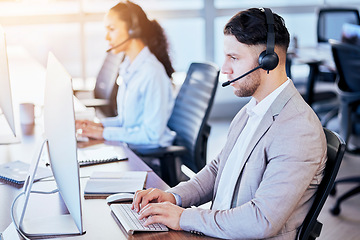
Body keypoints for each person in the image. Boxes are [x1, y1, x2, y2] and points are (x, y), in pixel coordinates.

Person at [131, 8, 327, 239]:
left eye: (234, 58)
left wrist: (183, 217)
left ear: (268, 60)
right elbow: (217, 170)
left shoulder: (297, 130)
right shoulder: (251, 111)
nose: (224, 69)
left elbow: (261, 221)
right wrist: (174, 197)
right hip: (218, 232)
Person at [76, 1, 175, 147]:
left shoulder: (152, 73)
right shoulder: (129, 66)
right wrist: (98, 125)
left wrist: (103, 133)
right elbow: (127, 122)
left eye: (112, 29)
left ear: (132, 30)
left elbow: (152, 135)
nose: (107, 38)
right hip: (130, 147)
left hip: (147, 158)